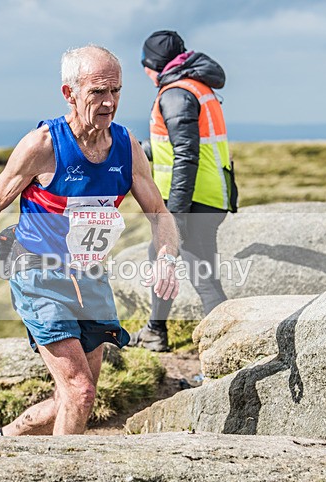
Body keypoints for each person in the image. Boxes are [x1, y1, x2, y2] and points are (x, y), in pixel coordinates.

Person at [0, 46, 180, 436]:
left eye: (116, 91)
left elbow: (159, 213)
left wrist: (166, 258)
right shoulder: (43, 145)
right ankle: (60, 479)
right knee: (81, 390)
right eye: (97, 92)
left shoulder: (127, 147)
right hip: (36, 274)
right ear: (69, 93)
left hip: (89, 277)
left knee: (72, 397)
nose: (109, 102)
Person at [130, 30, 237, 352]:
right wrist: (140, 150)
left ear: (155, 64)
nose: (145, 71)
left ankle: (228, 353)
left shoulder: (175, 94)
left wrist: (176, 217)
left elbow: (186, 156)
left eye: (145, 64)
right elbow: (179, 147)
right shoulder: (195, 87)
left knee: (204, 279)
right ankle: (154, 330)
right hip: (207, 194)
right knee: (157, 255)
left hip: (193, 202)